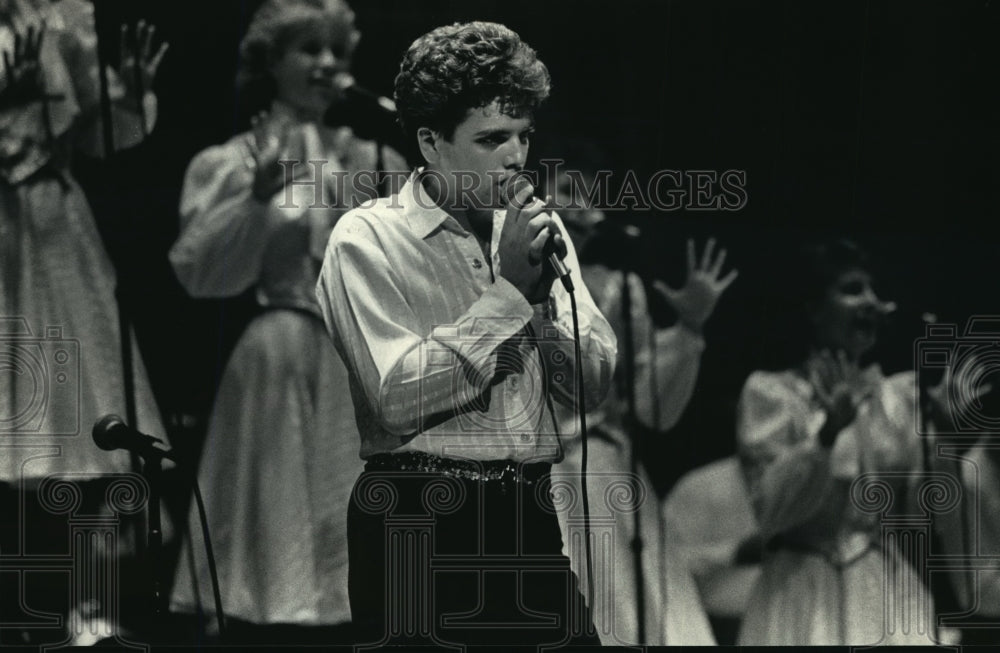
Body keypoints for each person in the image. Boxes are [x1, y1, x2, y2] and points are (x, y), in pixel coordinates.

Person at [316, 21, 616, 650]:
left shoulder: (539, 230)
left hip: (527, 513)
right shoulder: (366, 238)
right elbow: (395, 397)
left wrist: (541, 304)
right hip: (415, 519)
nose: (516, 158)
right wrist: (508, 296)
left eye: (523, 136)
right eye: (491, 139)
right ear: (430, 140)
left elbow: (591, 388)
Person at [168, 0, 403, 642]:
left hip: (356, 365)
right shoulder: (236, 158)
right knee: (274, 547)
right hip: (281, 347)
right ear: (272, 61)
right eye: (309, 49)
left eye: (338, 53)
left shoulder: (379, 161)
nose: (326, 65)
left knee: (351, 548)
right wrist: (256, 198)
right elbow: (200, 272)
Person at [1, 0, 166, 645]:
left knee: (81, 421)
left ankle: (87, 611)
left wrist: (130, 101)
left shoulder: (62, 13)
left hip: (54, 224)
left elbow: (98, 137)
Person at [735, 239, 973, 645]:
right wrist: (827, 435)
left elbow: (919, 518)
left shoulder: (898, 398)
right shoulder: (771, 393)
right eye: (851, 289)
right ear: (813, 308)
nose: (870, 301)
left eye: (874, 291)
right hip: (800, 589)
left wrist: (945, 442)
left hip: (880, 589)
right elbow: (771, 511)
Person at [550, 169, 735, 645]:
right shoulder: (497, 280)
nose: (582, 210)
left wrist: (688, 328)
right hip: (527, 469)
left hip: (602, 472)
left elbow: (651, 406)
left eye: (590, 199)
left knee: (632, 614)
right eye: (568, 193)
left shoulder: (617, 287)